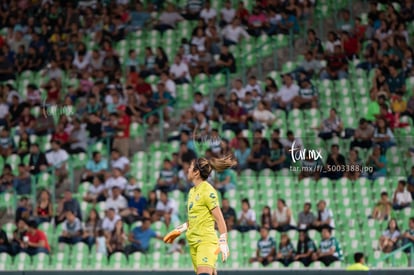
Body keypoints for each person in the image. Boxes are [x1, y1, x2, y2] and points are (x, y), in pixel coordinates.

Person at [163, 155, 236, 275]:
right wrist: (179, 230)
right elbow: (194, 219)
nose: (187, 169)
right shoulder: (192, 191)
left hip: (205, 242)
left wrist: (223, 240)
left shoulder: (208, 191)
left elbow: (220, 218)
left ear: (196, 173)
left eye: (190, 167)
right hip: (193, 242)